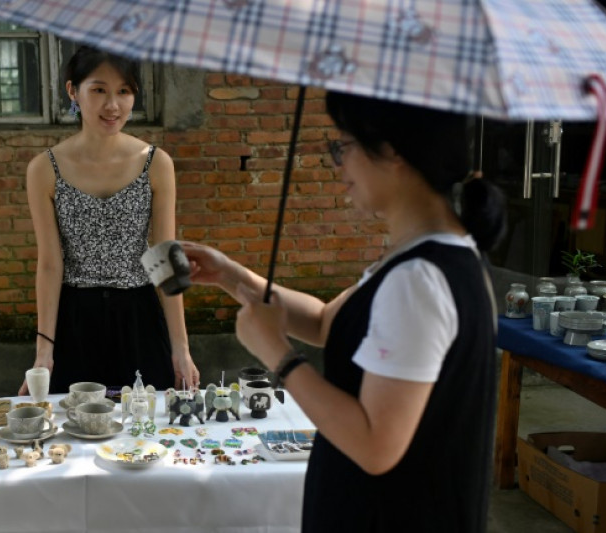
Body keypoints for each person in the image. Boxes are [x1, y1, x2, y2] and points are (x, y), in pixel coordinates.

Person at [182, 91, 506, 532]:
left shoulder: (419, 280)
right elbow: (322, 321)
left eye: (344, 146)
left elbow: (376, 445)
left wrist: (278, 356)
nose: (339, 164)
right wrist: (228, 275)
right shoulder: (429, 257)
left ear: (391, 150)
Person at [19, 46, 200, 396]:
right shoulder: (44, 169)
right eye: (99, 90)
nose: (112, 105)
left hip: (140, 317)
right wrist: (44, 351)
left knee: (148, 435)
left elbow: (165, 256)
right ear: (73, 91)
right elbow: (49, 264)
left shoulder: (156, 163)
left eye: (124, 91)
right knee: (69, 433)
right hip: (75, 319)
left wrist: (181, 347)